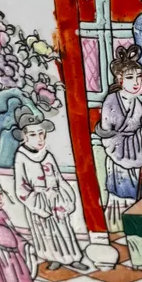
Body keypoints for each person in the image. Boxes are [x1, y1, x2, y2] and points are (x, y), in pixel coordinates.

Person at [94, 44, 142, 230]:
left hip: (138, 154)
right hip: (120, 155)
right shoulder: (111, 102)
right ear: (120, 79)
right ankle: (120, 229)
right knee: (123, 194)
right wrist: (135, 139)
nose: (136, 82)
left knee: (139, 192)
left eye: (139, 77)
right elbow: (109, 135)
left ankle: (140, 226)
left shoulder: (137, 103)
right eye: (130, 78)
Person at [13, 106, 90, 271]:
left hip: (56, 200)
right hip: (38, 202)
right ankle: (53, 258)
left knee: (64, 230)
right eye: (33, 134)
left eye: (41, 133)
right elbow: (20, 185)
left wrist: (65, 196)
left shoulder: (47, 155)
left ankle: (73, 257)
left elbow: (58, 177)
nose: (39, 138)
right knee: (45, 232)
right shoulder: (21, 156)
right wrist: (36, 203)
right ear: (24, 137)